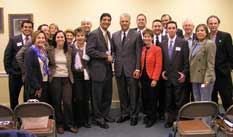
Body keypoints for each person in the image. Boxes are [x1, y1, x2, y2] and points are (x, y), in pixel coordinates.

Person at [112, 13, 142, 126]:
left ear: (130, 22)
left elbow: (139, 53)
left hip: (132, 69)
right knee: (122, 93)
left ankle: (134, 115)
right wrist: (114, 60)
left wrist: (138, 68)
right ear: (120, 22)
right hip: (119, 69)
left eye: (126, 21)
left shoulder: (136, 35)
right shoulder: (114, 35)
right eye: (122, 21)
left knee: (134, 94)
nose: (124, 23)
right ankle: (125, 114)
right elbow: (113, 51)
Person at [86, 13, 114, 129]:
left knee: (107, 94)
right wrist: (105, 56)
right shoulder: (94, 34)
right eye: (104, 20)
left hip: (108, 69)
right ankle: (98, 118)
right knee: (97, 96)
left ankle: (105, 114)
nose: (106, 22)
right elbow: (90, 51)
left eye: (108, 20)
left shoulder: (108, 34)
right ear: (100, 21)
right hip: (97, 70)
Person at [48, 30, 77, 134]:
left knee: (67, 102)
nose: (60, 39)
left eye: (62, 37)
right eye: (58, 37)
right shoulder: (50, 50)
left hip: (67, 78)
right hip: (55, 78)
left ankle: (69, 124)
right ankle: (59, 124)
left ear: (65, 39)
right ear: (55, 38)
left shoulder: (69, 50)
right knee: (56, 102)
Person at [160, 21, 189, 128]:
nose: (171, 30)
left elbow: (186, 61)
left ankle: (179, 121)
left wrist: (184, 74)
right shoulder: (162, 43)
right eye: (169, 28)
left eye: (173, 28)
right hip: (167, 77)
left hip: (178, 77)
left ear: (176, 29)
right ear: (166, 29)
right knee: (168, 101)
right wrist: (162, 71)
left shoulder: (183, 42)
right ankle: (169, 120)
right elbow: (162, 60)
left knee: (179, 101)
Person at [4, 20, 33, 109]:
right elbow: (7, 56)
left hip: (29, 75)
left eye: (30, 27)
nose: (27, 29)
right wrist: (10, 71)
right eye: (25, 27)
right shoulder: (14, 39)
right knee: (14, 98)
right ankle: (15, 119)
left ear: (32, 29)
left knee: (28, 98)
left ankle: (26, 117)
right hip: (15, 74)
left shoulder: (35, 40)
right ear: (21, 28)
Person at [207, 15, 233, 111]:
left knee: (227, 98)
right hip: (210, 74)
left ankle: (230, 120)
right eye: (211, 23)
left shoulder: (225, 36)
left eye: (215, 23)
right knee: (212, 98)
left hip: (223, 74)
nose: (213, 25)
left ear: (218, 24)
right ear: (208, 25)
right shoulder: (206, 37)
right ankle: (215, 119)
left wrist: (228, 68)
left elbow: (231, 54)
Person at [140, 29, 162, 128]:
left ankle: (152, 118)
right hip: (143, 77)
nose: (146, 38)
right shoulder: (143, 49)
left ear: (152, 38)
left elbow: (159, 65)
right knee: (146, 98)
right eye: (145, 36)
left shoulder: (157, 49)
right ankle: (148, 115)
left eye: (149, 36)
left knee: (152, 98)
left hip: (152, 77)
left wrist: (155, 79)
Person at [70, 27, 91, 128]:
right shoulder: (71, 47)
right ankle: (78, 120)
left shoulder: (89, 47)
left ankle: (86, 120)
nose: (80, 37)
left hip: (87, 75)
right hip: (76, 75)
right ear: (75, 37)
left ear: (85, 37)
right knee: (78, 98)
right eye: (78, 36)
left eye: (82, 35)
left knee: (86, 99)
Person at [190, 24, 216, 101]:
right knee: (197, 100)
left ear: (206, 32)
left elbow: (211, 63)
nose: (199, 32)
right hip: (195, 77)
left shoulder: (210, 43)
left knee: (205, 101)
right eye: (197, 31)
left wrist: (207, 79)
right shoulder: (194, 43)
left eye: (202, 30)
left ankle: (207, 114)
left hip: (205, 78)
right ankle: (199, 114)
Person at [24, 30, 49, 102]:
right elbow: (29, 72)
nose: (41, 40)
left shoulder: (44, 51)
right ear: (34, 39)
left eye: (43, 38)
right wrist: (37, 87)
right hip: (35, 86)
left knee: (44, 108)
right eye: (39, 38)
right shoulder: (30, 51)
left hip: (45, 82)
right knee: (36, 110)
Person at [151, 19, 167, 120]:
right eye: (155, 26)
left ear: (162, 27)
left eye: (159, 26)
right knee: (152, 94)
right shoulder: (148, 39)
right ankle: (152, 113)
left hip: (164, 72)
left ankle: (161, 112)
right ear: (152, 28)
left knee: (163, 93)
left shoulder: (166, 38)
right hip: (151, 72)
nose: (157, 28)